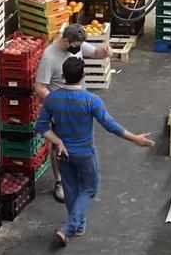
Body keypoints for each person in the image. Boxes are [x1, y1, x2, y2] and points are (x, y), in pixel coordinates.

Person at [37, 56, 154, 247]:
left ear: (63, 75)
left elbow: (41, 126)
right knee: (90, 187)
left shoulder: (52, 99)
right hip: (84, 153)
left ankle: (78, 226)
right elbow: (110, 125)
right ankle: (69, 227)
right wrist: (136, 139)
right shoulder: (91, 100)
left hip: (63, 153)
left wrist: (58, 141)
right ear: (84, 75)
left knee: (71, 188)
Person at [34, 23, 112, 203]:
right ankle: (60, 181)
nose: (78, 50)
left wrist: (106, 51)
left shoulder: (78, 46)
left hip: (80, 103)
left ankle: (78, 174)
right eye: (75, 46)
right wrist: (57, 102)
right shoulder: (49, 57)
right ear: (66, 40)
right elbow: (39, 87)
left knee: (81, 139)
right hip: (61, 108)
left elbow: (95, 53)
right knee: (57, 145)